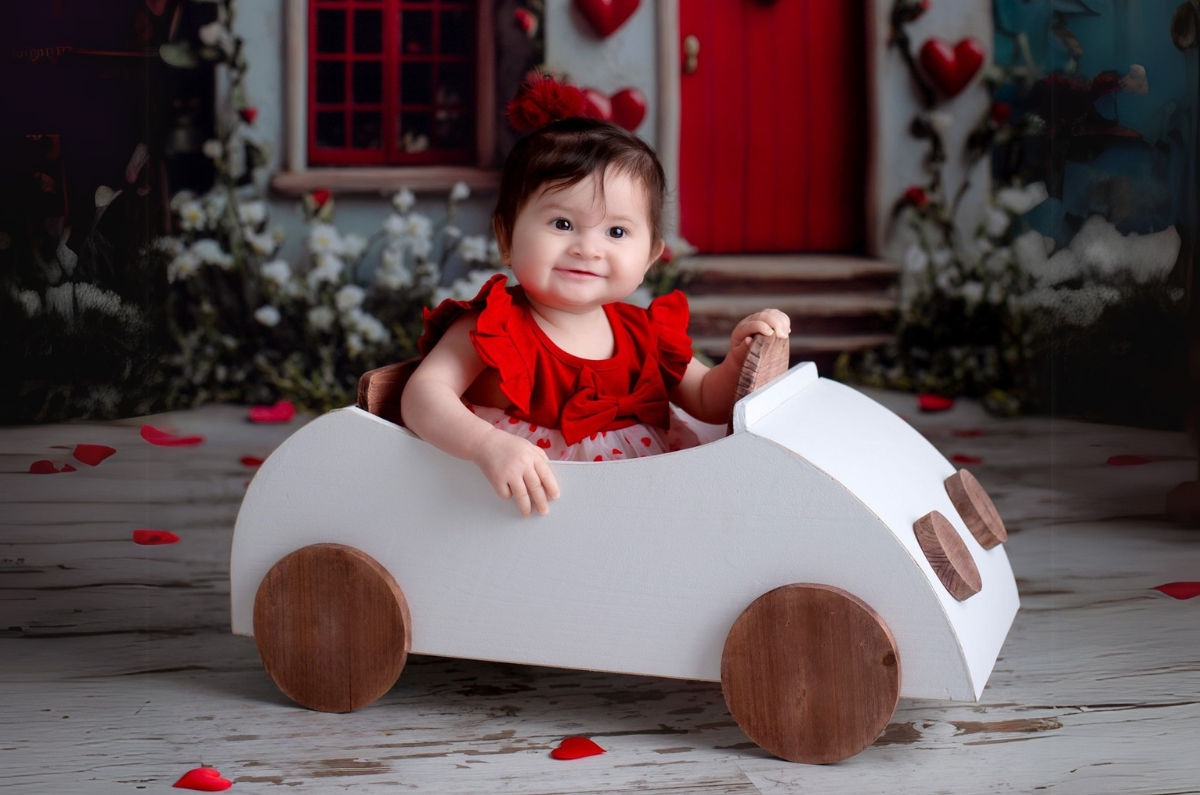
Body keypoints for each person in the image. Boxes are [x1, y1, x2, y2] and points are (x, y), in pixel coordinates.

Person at [401, 77, 790, 518]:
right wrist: (488, 445)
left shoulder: (646, 334)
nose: (588, 247)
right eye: (563, 224)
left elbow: (705, 400)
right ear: (506, 238)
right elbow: (422, 395)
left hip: (643, 505)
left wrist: (739, 360)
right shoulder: (493, 328)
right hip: (530, 509)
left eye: (617, 232)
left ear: (649, 257)